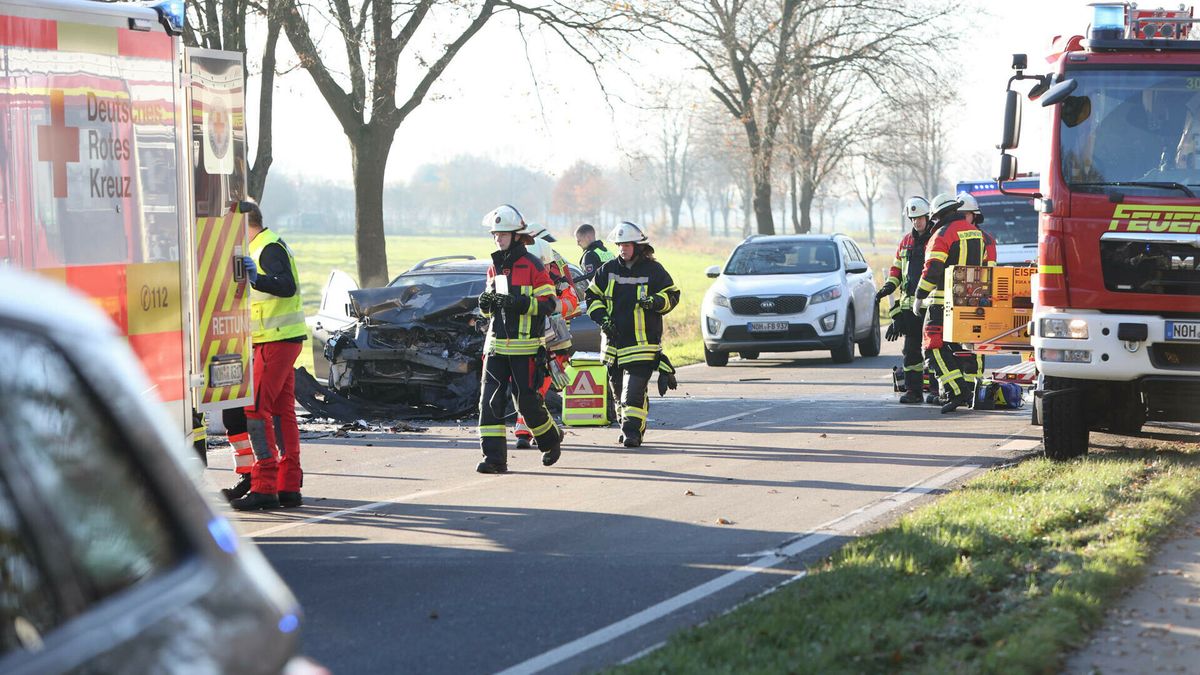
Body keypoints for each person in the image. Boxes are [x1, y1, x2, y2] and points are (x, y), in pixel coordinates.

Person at [230, 200, 308, 510]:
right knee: (281, 412)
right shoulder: (265, 245)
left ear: (242, 225)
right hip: (279, 340)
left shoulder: (266, 247)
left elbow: (285, 287)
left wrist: (256, 278)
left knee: (255, 410)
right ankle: (288, 485)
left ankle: (264, 485)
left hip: (274, 342)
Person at [475, 205, 563, 473]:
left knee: (527, 402)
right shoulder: (494, 266)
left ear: (516, 235)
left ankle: (550, 440)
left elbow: (549, 303)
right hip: (496, 346)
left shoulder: (533, 265)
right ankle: (494, 460)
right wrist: (485, 304)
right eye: (494, 234)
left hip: (526, 348)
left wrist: (519, 302)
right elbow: (488, 310)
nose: (497, 239)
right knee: (489, 401)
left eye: (502, 234)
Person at [584, 222, 680, 447]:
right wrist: (603, 320)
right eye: (620, 245)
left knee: (633, 392)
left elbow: (672, 295)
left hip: (642, 344)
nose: (623, 249)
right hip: (613, 345)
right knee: (618, 394)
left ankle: (632, 433)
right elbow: (592, 297)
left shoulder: (653, 271)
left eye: (627, 245)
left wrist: (655, 301)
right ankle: (625, 423)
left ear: (638, 246)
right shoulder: (607, 270)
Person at [912, 192, 996, 414]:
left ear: (937, 215)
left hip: (942, 303)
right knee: (965, 347)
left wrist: (920, 296)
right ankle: (966, 389)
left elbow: (932, 269)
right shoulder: (977, 234)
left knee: (932, 347)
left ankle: (956, 391)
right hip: (972, 302)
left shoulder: (941, 234)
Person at [513, 224, 579, 449]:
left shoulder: (554, 273)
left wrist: (551, 308)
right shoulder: (516, 269)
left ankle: (527, 429)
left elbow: (571, 301)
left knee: (537, 386)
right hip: (526, 338)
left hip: (553, 340)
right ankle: (536, 429)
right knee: (530, 387)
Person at [877, 196, 936, 404]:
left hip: (932, 304)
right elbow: (896, 269)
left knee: (933, 349)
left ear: (927, 217)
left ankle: (937, 392)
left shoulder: (936, 238)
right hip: (910, 307)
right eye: (913, 219)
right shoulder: (906, 241)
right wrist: (888, 287)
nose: (916, 222)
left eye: (919, 218)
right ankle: (914, 391)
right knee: (911, 351)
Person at [574, 223, 616, 297]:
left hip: (601, 297)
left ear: (588, 237)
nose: (578, 244)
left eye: (579, 240)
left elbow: (590, 280)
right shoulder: (608, 252)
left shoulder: (589, 255)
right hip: (614, 293)